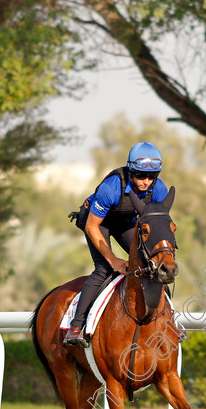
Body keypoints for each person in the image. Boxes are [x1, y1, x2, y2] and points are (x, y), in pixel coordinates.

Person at [64, 142, 170, 348]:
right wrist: (113, 260)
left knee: (154, 263)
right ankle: (75, 327)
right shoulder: (110, 188)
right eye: (140, 175)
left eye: (152, 176)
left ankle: (169, 318)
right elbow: (92, 227)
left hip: (124, 221)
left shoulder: (159, 189)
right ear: (131, 171)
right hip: (97, 222)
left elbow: (158, 224)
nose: (146, 181)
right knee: (103, 269)